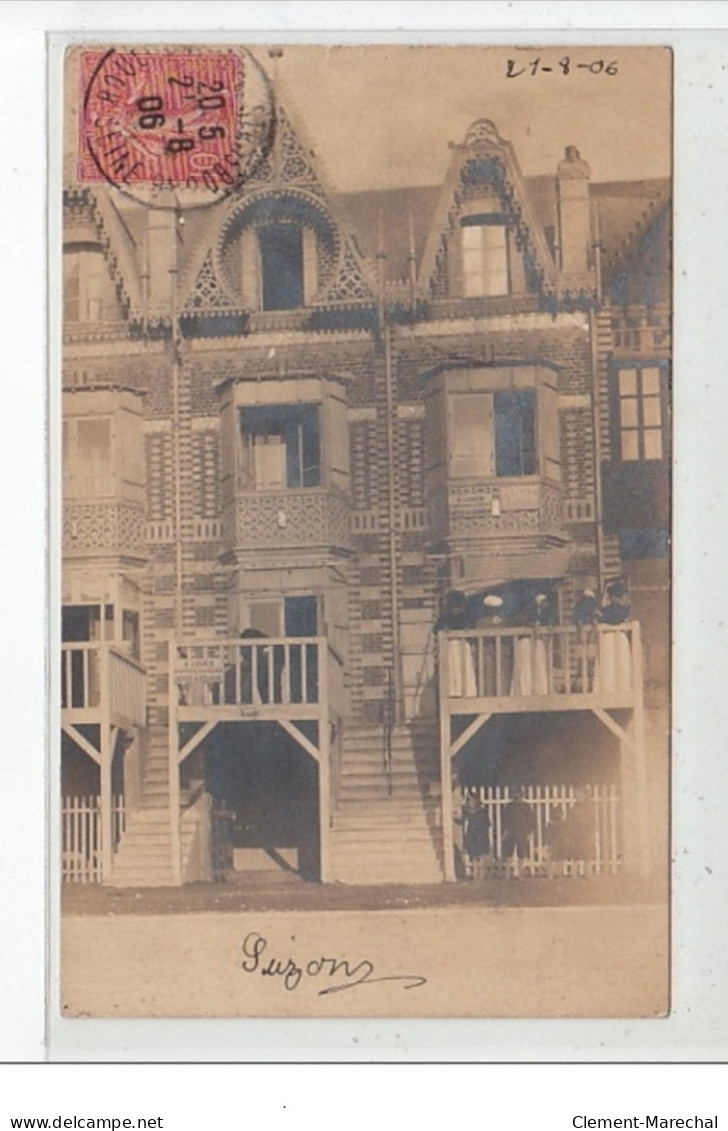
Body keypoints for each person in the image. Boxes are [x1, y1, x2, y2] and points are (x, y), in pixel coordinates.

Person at [435, 590, 477, 697]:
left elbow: (473, 628)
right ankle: (453, 692)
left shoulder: (465, 617)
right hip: (450, 647)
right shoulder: (445, 617)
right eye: (453, 607)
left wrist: (468, 630)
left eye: (458, 607)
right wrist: (443, 629)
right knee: (452, 670)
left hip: (463, 647)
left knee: (465, 669)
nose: (456, 610)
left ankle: (467, 692)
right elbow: (435, 629)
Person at [511, 591, 553, 696]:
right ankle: (525, 691)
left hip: (537, 642)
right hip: (525, 642)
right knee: (526, 666)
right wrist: (532, 625)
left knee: (539, 665)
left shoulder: (545, 614)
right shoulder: (526, 612)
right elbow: (519, 622)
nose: (546, 605)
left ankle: (541, 690)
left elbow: (547, 623)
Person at [595, 580, 632, 693]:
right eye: (614, 597)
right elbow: (601, 619)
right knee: (608, 664)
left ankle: (622, 689)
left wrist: (602, 617)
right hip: (608, 638)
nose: (616, 599)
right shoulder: (607, 609)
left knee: (621, 663)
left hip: (619, 637)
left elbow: (610, 618)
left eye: (618, 597)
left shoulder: (623, 609)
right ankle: (607, 690)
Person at [500, 786, 536, 878]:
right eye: (515, 794)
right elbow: (505, 819)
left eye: (518, 794)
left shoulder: (526, 807)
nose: (516, 796)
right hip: (511, 832)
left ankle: (520, 873)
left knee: (521, 853)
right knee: (508, 853)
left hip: (522, 832)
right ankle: (507, 873)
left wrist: (529, 832)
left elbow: (531, 821)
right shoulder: (509, 806)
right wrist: (505, 830)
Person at [456, 790, 491, 880]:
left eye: (471, 800)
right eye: (468, 800)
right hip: (472, 834)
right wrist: (454, 818)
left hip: (481, 835)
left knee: (481, 856)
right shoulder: (467, 812)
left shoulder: (482, 812)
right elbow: (462, 821)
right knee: (473, 855)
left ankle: (482, 873)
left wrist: (484, 834)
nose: (469, 802)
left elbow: (487, 824)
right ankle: (475, 873)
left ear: (476, 801)